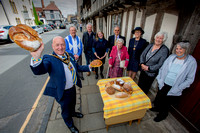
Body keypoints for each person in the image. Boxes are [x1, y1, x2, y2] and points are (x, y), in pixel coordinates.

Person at [30, 36, 91, 133]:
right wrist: (36, 57)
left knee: (73, 103)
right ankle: (70, 124)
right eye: (57, 45)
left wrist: (89, 67)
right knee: (65, 110)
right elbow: (40, 70)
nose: (60, 47)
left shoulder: (69, 55)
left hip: (72, 88)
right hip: (62, 91)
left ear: (65, 45)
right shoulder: (49, 59)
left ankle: (73, 112)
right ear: (53, 46)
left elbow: (77, 67)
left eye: (62, 44)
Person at [150, 41, 197, 122]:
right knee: (159, 97)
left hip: (174, 86)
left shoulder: (191, 62)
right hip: (164, 82)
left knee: (166, 102)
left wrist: (179, 87)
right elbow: (162, 68)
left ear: (186, 50)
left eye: (181, 49)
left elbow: (190, 79)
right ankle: (157, 108)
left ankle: (162, 115)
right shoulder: (172, 57)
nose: (178, 50)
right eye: (177, 48)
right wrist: (160, 79)